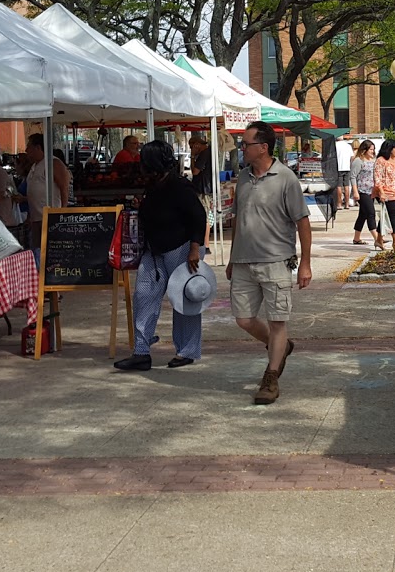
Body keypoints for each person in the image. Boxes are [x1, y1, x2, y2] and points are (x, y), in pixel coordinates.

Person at [226, 121, 311, 405]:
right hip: (242, 261)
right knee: (244, 319)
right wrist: (231, 257)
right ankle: (281, 347)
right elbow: (238, 219)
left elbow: (302, 222)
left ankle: (271, 377)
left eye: (246, 144)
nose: (242, 149)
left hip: (276, 261)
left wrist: (306, 263)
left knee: (278, 321)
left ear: (263, 147)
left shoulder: (286, 179)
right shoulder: (243, 178)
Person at [115, 141, 207, 371]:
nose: (141, 167)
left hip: (182, 248)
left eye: (144, 162)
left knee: (185, 300)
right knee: (143, 296)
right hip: (155, 250)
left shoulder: (179, 186)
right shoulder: (154, 185)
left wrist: (195, 249)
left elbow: (198, 216)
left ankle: (186, 350)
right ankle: (141, 351)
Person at [18, 133, 69, 247]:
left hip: (50, 216)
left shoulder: (53, 163)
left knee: (50, 249)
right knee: (38, 248)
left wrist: (62, 212)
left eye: (29, 147)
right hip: (36, 217)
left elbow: (64, 188)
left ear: (38, 148)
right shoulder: (35, 166)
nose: (26, 150)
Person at [373, 139, 395, 251]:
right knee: (393, 216)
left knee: (385, 216)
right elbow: (377, 178)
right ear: (389, 149)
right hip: (386, 193)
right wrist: (381, 192)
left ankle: (379, 240)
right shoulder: (380, 161)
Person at [349, 140, 382, 247]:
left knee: (362, 215)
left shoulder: (374, 160)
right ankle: (377, 238)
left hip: (372, 191)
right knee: (370, 213)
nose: (373, 151)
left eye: (373, 149)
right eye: (371, 149)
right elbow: (353, 176)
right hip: (362, 191)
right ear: (364, 150)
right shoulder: (358, 161)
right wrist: (355, 192)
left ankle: (356, 238)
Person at [188, 133, 215, 251]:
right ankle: (205, 243)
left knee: (204, 216)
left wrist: (193, 156)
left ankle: (205, 244)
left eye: (191, 147)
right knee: (205, 215)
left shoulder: (204, 154)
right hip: (205, 187)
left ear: (197, 145)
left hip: (203, 188)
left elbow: (195, 171)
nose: (191, 149)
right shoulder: (208, 152)